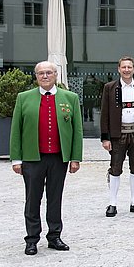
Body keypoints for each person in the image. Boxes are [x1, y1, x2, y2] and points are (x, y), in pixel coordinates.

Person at [10, 61, 83, 255]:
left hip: (58, 158)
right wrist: (16, 159)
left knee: (55, 197)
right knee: (32, 199)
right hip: (33, 158)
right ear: (36, 77)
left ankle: (54, 236)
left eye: (48, 72)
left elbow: (77, 131)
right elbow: (16, 130)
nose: (45, 76)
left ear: (56, 75)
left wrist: (75, 158)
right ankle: (32, 239)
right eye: (41, 73)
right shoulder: (24, 98)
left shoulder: (70, 98)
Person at [100, 56, 134, 217]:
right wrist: (105, 138)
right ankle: (112, 203)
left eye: (129, 67)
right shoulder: (109, 87)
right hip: (118, 135)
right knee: (115, 168)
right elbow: (104, 114)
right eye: (124, 67)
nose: (126, 70)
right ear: (119, 69)